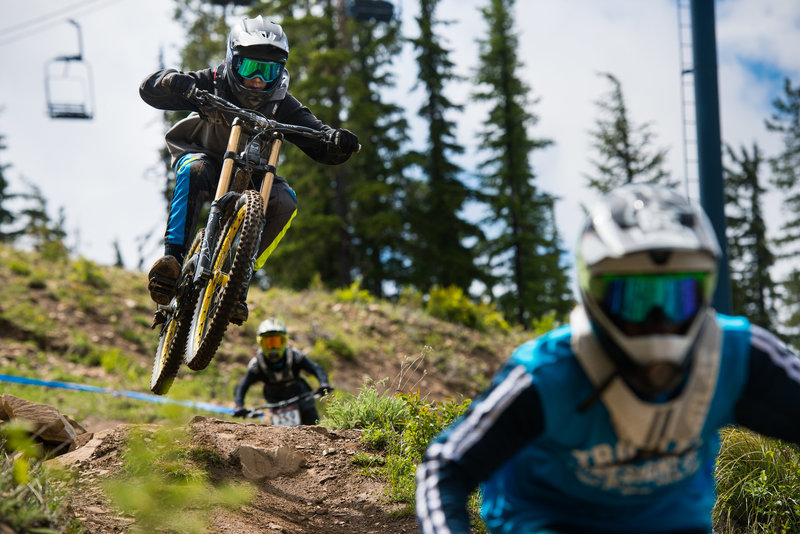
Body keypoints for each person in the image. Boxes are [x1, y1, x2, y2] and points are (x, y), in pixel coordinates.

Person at [415, 184, 800, 534]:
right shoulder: (547, 374)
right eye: (632, 299)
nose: (658, 322)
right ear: (593, 296)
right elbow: (445, 468)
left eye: (677, 296)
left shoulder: (739, 357)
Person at [139, 15, 359, 323]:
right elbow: (150, 91)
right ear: (232, 60)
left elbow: (320, 140)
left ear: (280, 71)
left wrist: (337, 141)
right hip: (207, 158)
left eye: (268, 71)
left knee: (286, 202)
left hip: (254, 174)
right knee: (193, 169)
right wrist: (172, 80)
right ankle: (172, 260)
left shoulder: (283, 103)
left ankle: (238, 278)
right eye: (249, 67)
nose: (257, 80)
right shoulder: (212, 81)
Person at [233, 318, 332, 425]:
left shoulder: (295, 356)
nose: (273, 347)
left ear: (284, 341)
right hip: (275, 403)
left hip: (301, 397)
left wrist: (324, 383)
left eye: (276, 342)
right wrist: (239, 405)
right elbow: (243, 386)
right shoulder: (257, 364)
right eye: (268, 343)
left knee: (313, 427)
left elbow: (315, 368)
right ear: (260, 343)